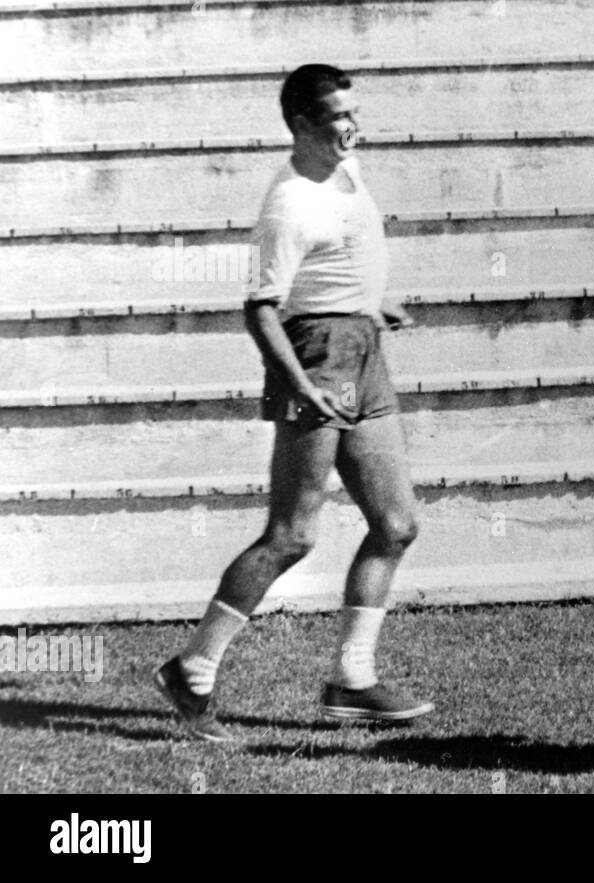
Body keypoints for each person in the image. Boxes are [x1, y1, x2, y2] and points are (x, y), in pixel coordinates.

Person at [155, 64, 431, 742]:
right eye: (338, 116)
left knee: (396, 523)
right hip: (313, 359)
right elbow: (261, 310)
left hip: (362, 350)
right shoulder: (287, 205)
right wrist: (301, 384)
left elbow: (341, 257)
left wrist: (369, 303)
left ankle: (351, 678)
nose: (352, 125)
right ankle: (192, 667)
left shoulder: (348, 169)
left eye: (353, 111)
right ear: (303, 125)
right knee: (294, 534)